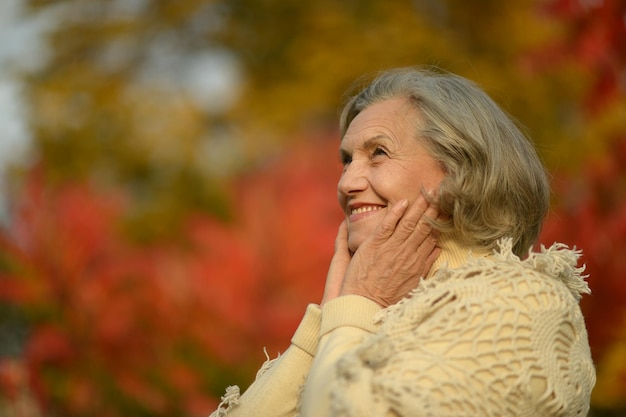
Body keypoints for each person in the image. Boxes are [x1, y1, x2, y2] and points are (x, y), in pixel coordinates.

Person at [210, 67, 595, 417]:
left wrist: (357, 301)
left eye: (378, 153)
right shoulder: (365, 311)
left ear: (460, 170)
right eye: (346, 160)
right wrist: (331, 315)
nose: (346, 183)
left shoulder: (526, 302)